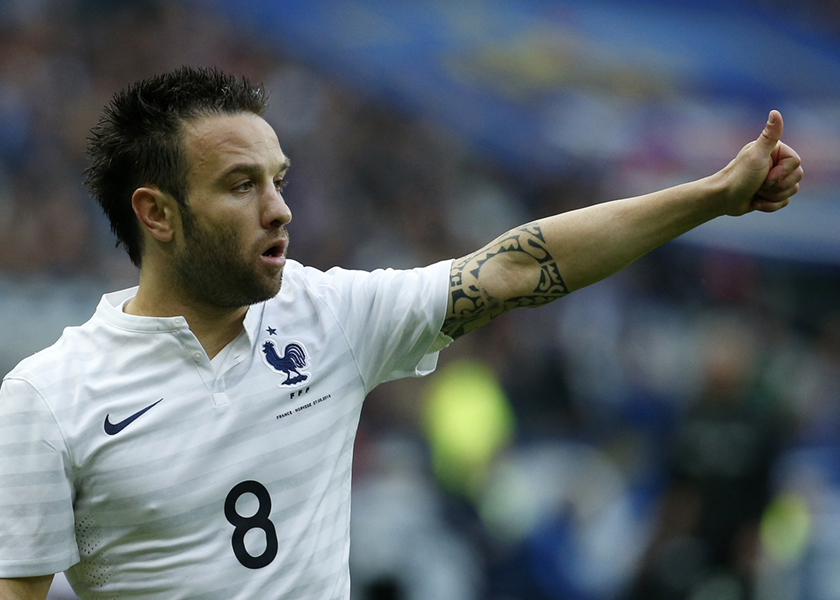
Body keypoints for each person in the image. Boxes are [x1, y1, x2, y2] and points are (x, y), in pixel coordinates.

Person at [0, 66, 802, 600]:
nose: (279, 209)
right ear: (156, 214)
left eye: (279, 180)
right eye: (241, 186)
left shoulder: (327, 314)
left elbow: (513, 270)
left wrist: (709, 197)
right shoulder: (49, 398)